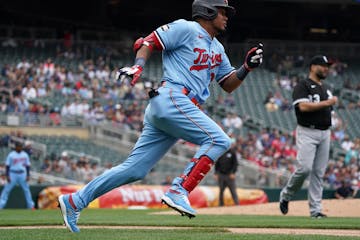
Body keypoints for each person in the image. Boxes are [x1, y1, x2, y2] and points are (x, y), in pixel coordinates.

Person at [58, 0, 263, 232]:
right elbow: (148, 41)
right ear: (208, 10)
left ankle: (75, 201)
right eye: (223, 11)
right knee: (219, 140)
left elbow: (227, 84)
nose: (226, 16)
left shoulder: (217, 48)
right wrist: (138, 65)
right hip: (173, 97)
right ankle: (179, 190)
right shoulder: (186, 28)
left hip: (173, 106)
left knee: (135, 169)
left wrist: (246, 68)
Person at [279, 55, 338, 219]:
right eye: (323, 65)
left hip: (325, 132)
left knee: (318, 173)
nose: (326, 68)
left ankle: (315, 211)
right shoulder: (302, 85)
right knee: (304, 168)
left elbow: (328, 112)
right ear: (313, 67)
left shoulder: (326, 88)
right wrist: (328, 103)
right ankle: (286, 194)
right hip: (307, 131)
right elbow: (303, 106)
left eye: (328, 66)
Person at [0, 142, 34, 209]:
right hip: (13, 173)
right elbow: (7, 166)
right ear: (15, 147)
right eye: (18, 146)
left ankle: (31, 206)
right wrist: (7, 175)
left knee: (26, 190)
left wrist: (28, 175)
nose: (20, 147)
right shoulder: (11, 155)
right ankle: (1, 205)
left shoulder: (25, 155)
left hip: (22, 174)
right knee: (6, 190)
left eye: (21, 146)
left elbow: (27, 166)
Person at [214, 140, 239, 206]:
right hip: (221, 174)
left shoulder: (232, 152)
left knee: (233, 190)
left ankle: (237, 204)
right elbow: (217, 164)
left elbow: (235, 164)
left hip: (229, 175)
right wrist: (216, 173)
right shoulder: (221, 153)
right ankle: (221, 205)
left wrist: (233, 173)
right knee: (221, 191)